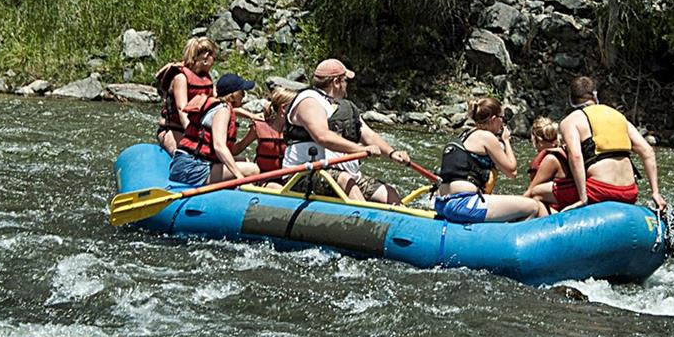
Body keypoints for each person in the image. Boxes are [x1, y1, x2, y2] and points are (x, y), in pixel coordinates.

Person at [282, 58, 406, 203]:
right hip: (304, 175)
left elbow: (368, 135)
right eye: (345, 80)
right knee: (346, 181)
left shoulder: (344, 107)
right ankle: (363, 220)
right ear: (336, 82)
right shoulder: (309, 101)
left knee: (388, 192)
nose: (347, 85)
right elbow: (322, 136)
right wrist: (359, 150)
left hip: (345, 175)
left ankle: (406, 222)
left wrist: (392, 153)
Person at [557, 74, 667, 211]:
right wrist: (655, 192)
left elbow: (576, 156)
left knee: (538, 193)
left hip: (599, 191)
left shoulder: (570, 121)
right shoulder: (619, 116)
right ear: (595, 96)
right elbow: (648, 151)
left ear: (571, 99)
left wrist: (582, 197)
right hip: (629, 193)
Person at [433, 97, 548, 223]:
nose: (502, 123)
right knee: (533, 206)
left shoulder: (464, 135)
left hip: (442, 203)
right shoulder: (486, 137)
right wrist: (506, 141)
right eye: (502, 118)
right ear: (494, 119)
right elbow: (512, 172)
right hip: (463, 204)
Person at [168, 72, 260, 186]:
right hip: (191, 169)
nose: (244, 96)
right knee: (253, 170)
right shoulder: (222, 110)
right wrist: (239, 177)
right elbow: (219, 147)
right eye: (242, 92)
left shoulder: (216, 106)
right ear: (233, 95)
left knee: (244, 160)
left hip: (184, 164)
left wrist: (250, 136)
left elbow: (230, 152)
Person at [155, 37, 217, 154]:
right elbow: (182, 110)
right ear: (205, 59)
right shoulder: (181, 78)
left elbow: (215, 105)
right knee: (183, 155)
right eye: (214, 58)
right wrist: (194, 136)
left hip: (197, 130)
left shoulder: (205, 78)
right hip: (173, 129)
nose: (214, 61)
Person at [524, 117, 572, 213]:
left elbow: (529, 192)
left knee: (533, 196)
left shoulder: (550, 160)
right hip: (563, 202)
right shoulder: (563, 151)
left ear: (536, 139)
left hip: (557, 209)